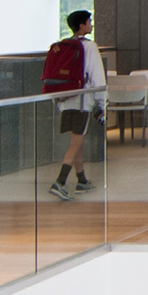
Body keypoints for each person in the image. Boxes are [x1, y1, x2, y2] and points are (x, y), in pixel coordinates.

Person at [47, 10, 104, 201]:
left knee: (76, 139)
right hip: (82, 101)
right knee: (77, 141)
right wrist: (102, 102)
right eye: (89, 21)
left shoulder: (63, 46)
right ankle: (60, 181)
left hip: (65, 99)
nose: (91, 25)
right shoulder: (89, 46)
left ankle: (82, 180)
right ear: (82, 25)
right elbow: (97, 76)